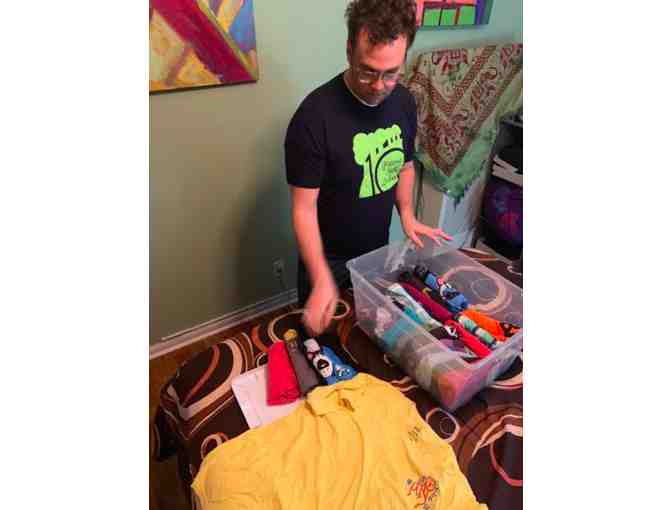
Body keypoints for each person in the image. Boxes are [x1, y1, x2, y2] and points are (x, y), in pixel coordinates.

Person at [284, 0, 451, 337]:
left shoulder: (403, 102)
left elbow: (404, 166)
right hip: (327, 259)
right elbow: (303, 209)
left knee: (369, 338)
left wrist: (407, 215)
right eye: (367, 71)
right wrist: (321, 279)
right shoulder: (313, 118)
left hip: (376, 252)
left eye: (391, 73)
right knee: (321, 345)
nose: (378, 85)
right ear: (349, 50)